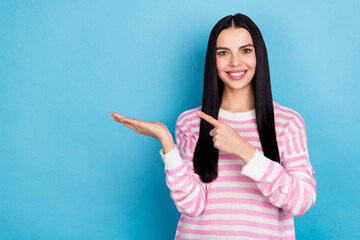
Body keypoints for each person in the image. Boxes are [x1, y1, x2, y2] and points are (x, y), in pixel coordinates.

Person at [110, 13, 317, 240]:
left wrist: (244, 150)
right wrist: (167, 143)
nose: (235, 62)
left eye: (245, 50)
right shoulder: (190, 122)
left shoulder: (288, 123)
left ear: (259, 55)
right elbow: (191, 206)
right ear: (213, 59)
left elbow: (301, 201)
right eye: (223, 53)